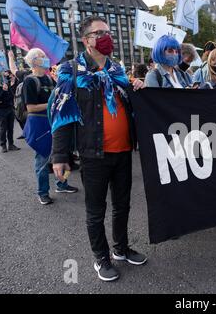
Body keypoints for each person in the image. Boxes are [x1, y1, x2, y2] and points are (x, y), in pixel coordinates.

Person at [50, 16, 147, 282]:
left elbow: (130, 102)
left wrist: (137, 87)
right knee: (96, 210)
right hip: (93, 154)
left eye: (108, 31)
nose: (107, 36)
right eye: (99, 32)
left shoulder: (117, 70)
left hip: (123, 151)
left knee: (123, 205)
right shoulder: (71, 70)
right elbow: (62, 114)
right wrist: (60, 155)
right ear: (86, 40)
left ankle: (121, 249)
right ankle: (101, 258)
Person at [22, 48, 78, 206]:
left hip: (53, 122)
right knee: (42, 159)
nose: (46, 58)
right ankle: (43, 192)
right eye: (42, 56)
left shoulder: (49, 79)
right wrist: (52, 104)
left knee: (62, 155)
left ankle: (62, 184)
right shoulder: (30, 81)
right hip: (39, 124)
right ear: (33, 61)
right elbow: (30, 108)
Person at [0, 71, 20, 153]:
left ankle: (11, 144)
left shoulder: (5, 85)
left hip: (10, 108)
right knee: (3, 128)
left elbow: (11, 96)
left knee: (10, 128)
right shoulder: (0, 88)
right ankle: (3, 145)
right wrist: (3, 91)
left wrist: (6, 90)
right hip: (1, 110)